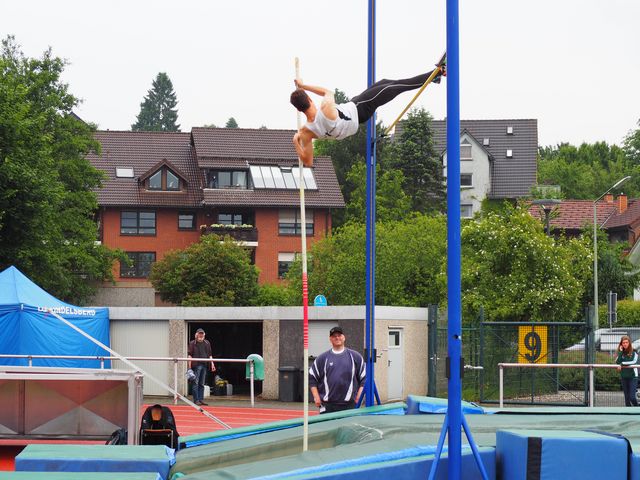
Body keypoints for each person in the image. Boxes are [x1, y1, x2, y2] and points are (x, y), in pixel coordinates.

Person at [290, 66, 445, 167]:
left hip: (356, 115)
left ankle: (433, 77)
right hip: (360, 108)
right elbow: (328, 92)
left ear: (298, 109)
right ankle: (434, 75)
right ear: (309, 99)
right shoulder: (325, 108)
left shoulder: (306, 132)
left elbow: (308, 162)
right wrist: (303, 85)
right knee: (395, 88)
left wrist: (295, 142)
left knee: (385, 82)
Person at [309, 326, 366, 414]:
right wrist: (316, 397)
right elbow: (312, 378)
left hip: (349, 405)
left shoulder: (355, 357)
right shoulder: (322, 358)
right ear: (330, 339)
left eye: (339, 335)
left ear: (344, 337)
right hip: (327, 406)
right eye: (334, 336)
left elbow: (364, 378)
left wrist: (359, 396)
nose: (337, 338)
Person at [188, 328, 215, 406]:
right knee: (195, 383)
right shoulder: (192, 343)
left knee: (202, 383)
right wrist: (189, 367)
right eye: (199, 334)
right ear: (196, 335)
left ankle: (200, 399)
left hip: (205, 365)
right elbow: (190, 355)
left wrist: (212, 364)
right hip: (196, 365)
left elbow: (210, 355)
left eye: (202, 334)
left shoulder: (207, 343)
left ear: (204, 335)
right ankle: (196, 400)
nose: (201, 335)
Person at [615, 335, 638, 407]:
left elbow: (633, 362)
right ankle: (628, 412)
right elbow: (617, 362)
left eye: (626, 342)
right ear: (621, 344)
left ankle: (637, 408)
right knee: (627, 399)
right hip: (624, 377)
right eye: (623, 343)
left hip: (633, 377)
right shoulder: (620, 352)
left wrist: (622, 364)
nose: (625, 344)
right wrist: (621, 352)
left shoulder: (634, 352)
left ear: (629, 343)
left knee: (632, 397)